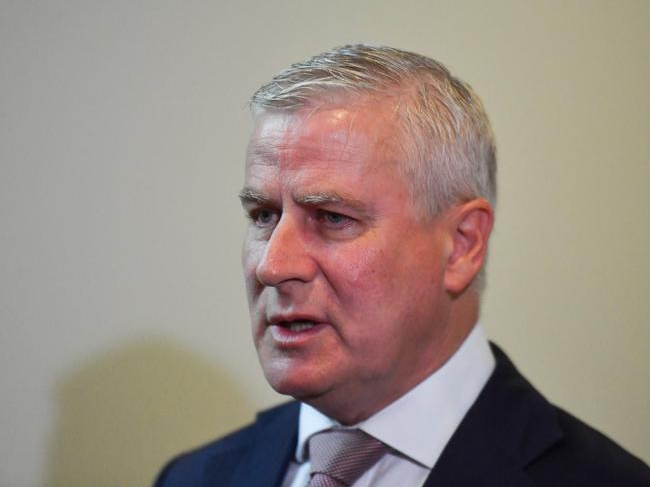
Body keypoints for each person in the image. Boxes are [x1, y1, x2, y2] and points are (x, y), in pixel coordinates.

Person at [155, 44, 649, 486]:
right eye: (264, 215)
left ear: (461, 245)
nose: (272, 265)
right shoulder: (193, 477)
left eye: (332, 217)